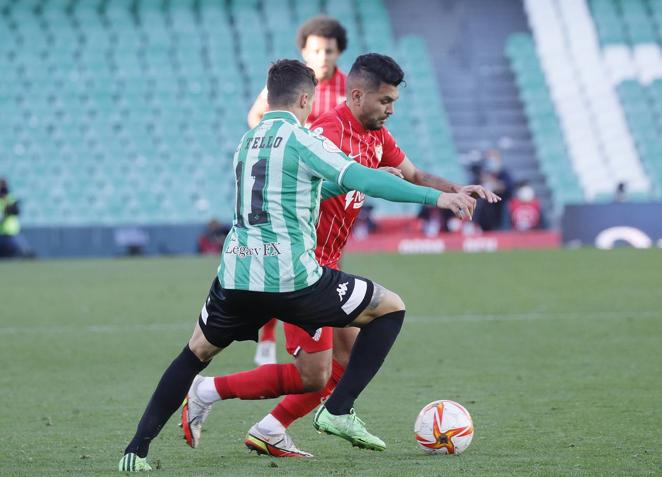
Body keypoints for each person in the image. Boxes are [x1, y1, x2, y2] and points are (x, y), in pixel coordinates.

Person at [118, 59, 477, 472]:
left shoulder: (246, 142)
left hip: (235, 275)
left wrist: (355, 180)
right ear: (306, 99)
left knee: (194, 353)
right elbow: (363, 178)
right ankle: (338, 410)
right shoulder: (305, 139)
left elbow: (302, 190)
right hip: (293, 279)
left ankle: (136, 450)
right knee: (390, 307)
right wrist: (437, 198)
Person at [250, 16, 349, 366]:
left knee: (318, 258)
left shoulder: (348, 89)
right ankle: (266, 337)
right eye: (315, 50)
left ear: (339, 53)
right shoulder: (289, 86)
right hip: (290, 187)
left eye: (329, 51)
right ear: (304, 50)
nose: (322, 56)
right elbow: (255, 118)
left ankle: (319, 340)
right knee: (280, 256)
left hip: (326, 192)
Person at [474, 148, 513, 231]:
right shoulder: (482, 173)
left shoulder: (504, 173)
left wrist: (491, 182)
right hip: (487, 206)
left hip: (501, 204)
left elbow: (506, 187)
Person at [0, 178, 27, 259]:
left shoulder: (11, 198)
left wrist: (10, 208)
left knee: (19, 255)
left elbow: (17, 211)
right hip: (2, 234)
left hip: (12, 233)